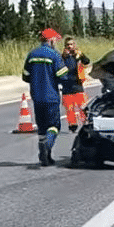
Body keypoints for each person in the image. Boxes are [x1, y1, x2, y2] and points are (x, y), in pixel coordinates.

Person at [22, 28, 67, 166]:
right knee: (54, 125)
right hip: (51, 97)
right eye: (55, 40)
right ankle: (47, 144)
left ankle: (45, 157)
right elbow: (62, 76)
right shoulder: (54, 55)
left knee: (42, 127)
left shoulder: (32, 54)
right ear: (51, 40)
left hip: (37, 97)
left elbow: (25, 76)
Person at [60, 37, 91, 132]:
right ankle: (72, 126)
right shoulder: (62, 57)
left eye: (71, 44)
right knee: (69, 109)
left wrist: (81, 55)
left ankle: (86, 123)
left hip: (77, 84)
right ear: (65, 46)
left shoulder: (78, 55)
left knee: (82, 106)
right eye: (68, 45)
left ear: (74, 45)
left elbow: (87, 62)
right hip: (66, 85)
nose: (70, 46)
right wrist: (63, 57)